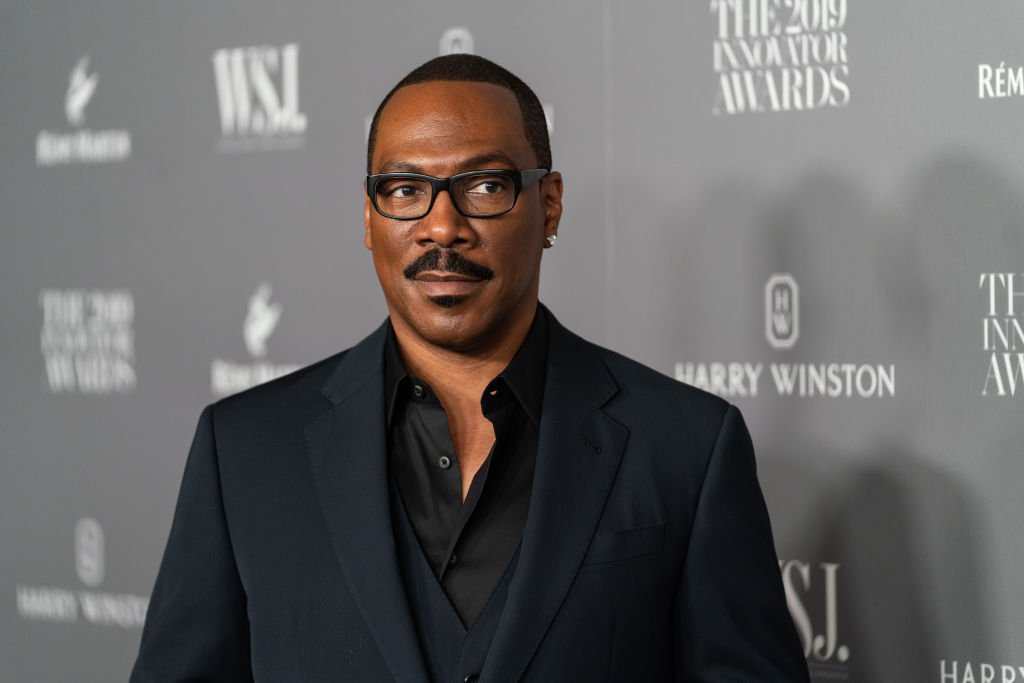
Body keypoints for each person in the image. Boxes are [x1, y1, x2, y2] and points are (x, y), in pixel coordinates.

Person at [131, 54, 809, 682]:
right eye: (404, 189)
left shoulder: (686, 445)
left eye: (485, 185)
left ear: (549, 205)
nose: (442, 226)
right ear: (370, 217)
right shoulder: (246, 450)